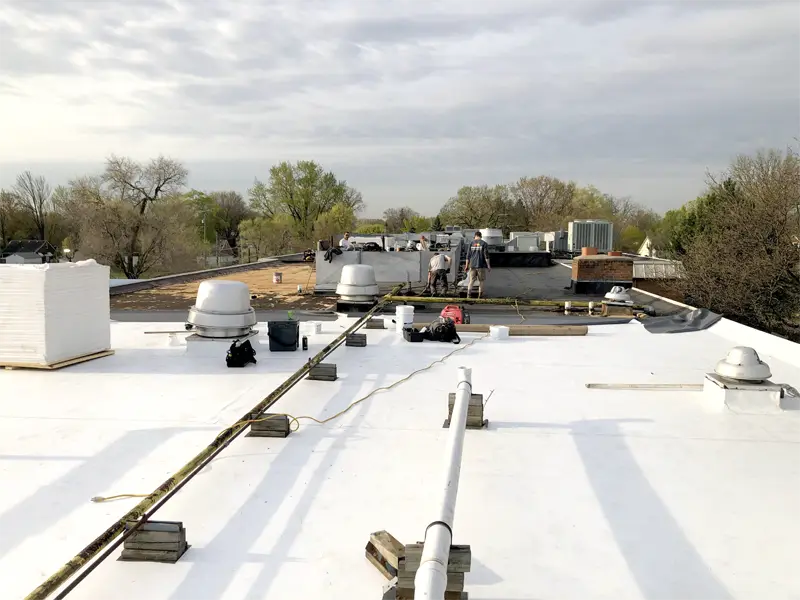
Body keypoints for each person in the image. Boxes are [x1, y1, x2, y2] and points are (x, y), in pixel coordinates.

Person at [465, 231, 491, 298]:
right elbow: (486, 256)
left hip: (472, 265)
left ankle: (468, 295)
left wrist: (466, 266)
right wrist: (488, 265)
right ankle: (480, 296)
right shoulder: (484, 243)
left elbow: (468, 256)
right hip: (480, 265)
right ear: (481, 236)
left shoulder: (471, 243)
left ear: (475, 236)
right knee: (481, 281)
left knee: (471, 281)